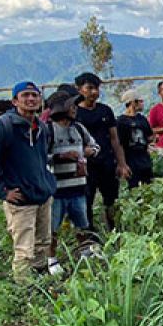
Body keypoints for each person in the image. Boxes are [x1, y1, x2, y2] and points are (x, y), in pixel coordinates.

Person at [0, 81, 58, 279]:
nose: (30, 99)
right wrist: (2, 192)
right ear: (14, 101)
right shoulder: (5, 127)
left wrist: (47, 184)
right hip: (21, 201)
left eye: (34, 95)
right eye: (25, 95)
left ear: (40, 100)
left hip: (42, 196)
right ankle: (24, 294)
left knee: (43, 244)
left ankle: (41, 286)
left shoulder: (41, 128)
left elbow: (42, 160)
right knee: (24, 251)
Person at [46, 90, 100, 256]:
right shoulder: (49, 130)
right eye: (72, 106)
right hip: (57, 190)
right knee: (52, 228)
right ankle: (51, 260)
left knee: (82, 225)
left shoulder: (79, 128)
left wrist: (88, 151)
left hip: (78, 188)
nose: (75, 109)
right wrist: (61, 156)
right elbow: (41, 157)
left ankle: (85, 256)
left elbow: (96, 146)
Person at [74, 72, 129, 231]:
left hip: (107, 163)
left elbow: (114, 139)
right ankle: (88, 236)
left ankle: (115, 231)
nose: (94, 92)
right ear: (79, 90)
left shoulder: (105, 110)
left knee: (111, 200)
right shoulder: (74, 113)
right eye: (89, 88)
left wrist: (122, 163)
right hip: (85, 166)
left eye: (96, 88)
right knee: (86, 201)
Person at [116, 88, 154, 188]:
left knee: (149, 186)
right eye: (140, 101)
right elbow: (119, 144)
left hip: (144, 159)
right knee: (133, 187)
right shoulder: (121, 121)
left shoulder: (142, 119)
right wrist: (123, 164)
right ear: (133, 102)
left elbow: (149, 136)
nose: (142, 103)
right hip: (130, 160)